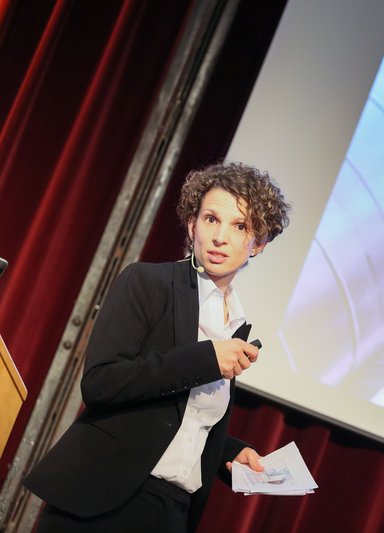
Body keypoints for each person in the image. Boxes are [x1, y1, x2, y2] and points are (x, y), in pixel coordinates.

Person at [24, 162, 291, 532]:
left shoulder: (236, 323)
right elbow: (101, 383)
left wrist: (228, 452)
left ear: (258, 244)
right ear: (192, 225)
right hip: (102, 501)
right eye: (211, 219)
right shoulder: (147, 282)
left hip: (170, 512)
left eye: (240, 226)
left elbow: (179, 416)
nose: (220, 237)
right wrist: (205, 358)